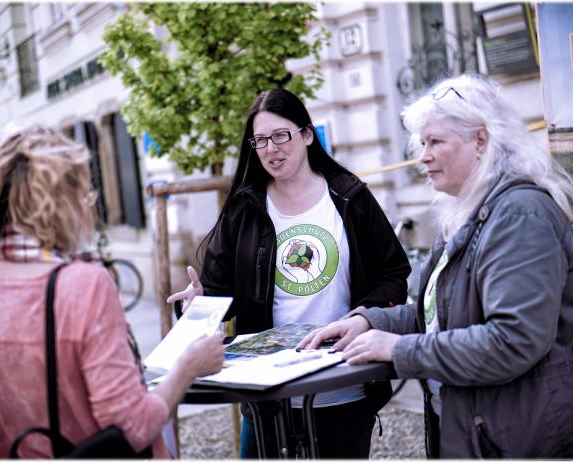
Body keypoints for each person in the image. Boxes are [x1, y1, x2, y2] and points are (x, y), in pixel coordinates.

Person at [298, 74, 573, 458]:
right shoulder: (467, 212)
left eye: (435, 142)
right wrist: (371, 321)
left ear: (481, 140)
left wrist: (400, 349)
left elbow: (513, 341)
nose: (423, 156)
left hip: (521, 437)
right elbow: (444, 318)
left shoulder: (520, 215)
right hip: (485, 430)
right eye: (421, 143)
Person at [167, 88, 411, 458]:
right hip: (266, 394)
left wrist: (365, 318)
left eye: (281, 135)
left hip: (342, 384)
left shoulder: (350, 198)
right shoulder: (245, 209)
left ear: (307, 136)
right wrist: (199, 303)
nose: (271, 149)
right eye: (261, 140)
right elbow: (218, 295)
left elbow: (393, 274)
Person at [0, 124, 225, 458]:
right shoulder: (81, 284)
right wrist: (188, 367)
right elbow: (132, 427)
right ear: (61, 201)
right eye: (83, 189)